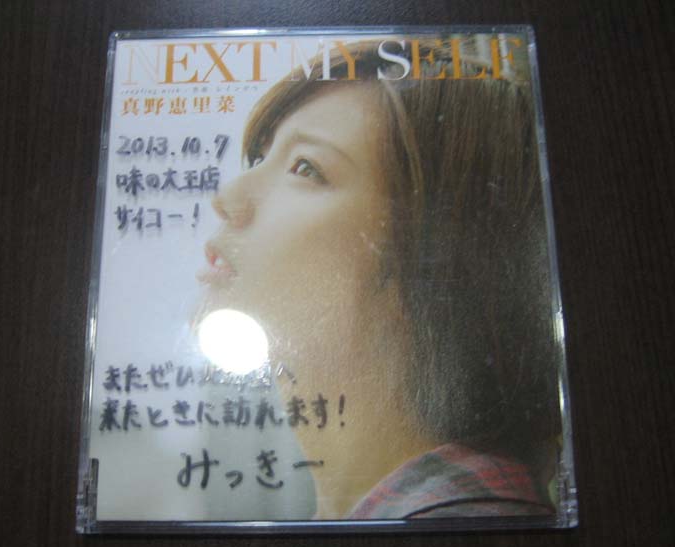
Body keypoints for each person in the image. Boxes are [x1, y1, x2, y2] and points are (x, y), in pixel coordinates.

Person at [195, 39, 560, 519]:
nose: (227, 198)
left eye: (305, 167)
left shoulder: (478, 537)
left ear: (436, 259)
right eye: (259, 159)